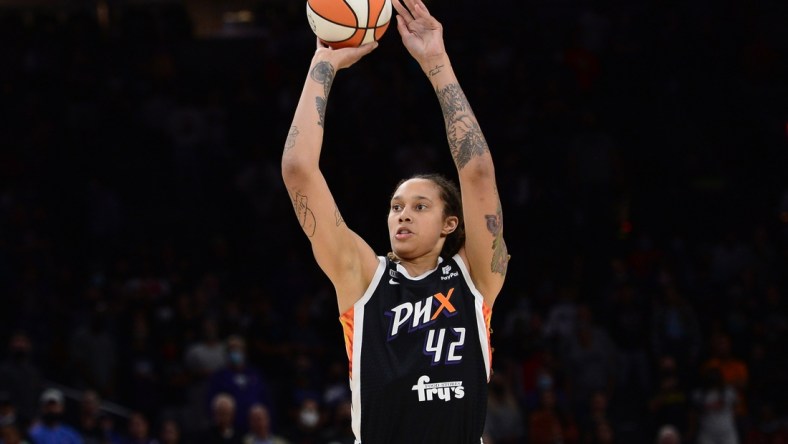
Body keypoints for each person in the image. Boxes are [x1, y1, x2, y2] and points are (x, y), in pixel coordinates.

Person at [281, 0, 508, 441]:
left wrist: (436, 62)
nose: (403, 214)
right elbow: (298, 171)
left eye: (420, 206)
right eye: (396, 206)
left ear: (449, 224)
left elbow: (477, 172)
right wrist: (323, 62)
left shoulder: (475, 277)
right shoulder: (364, 280)